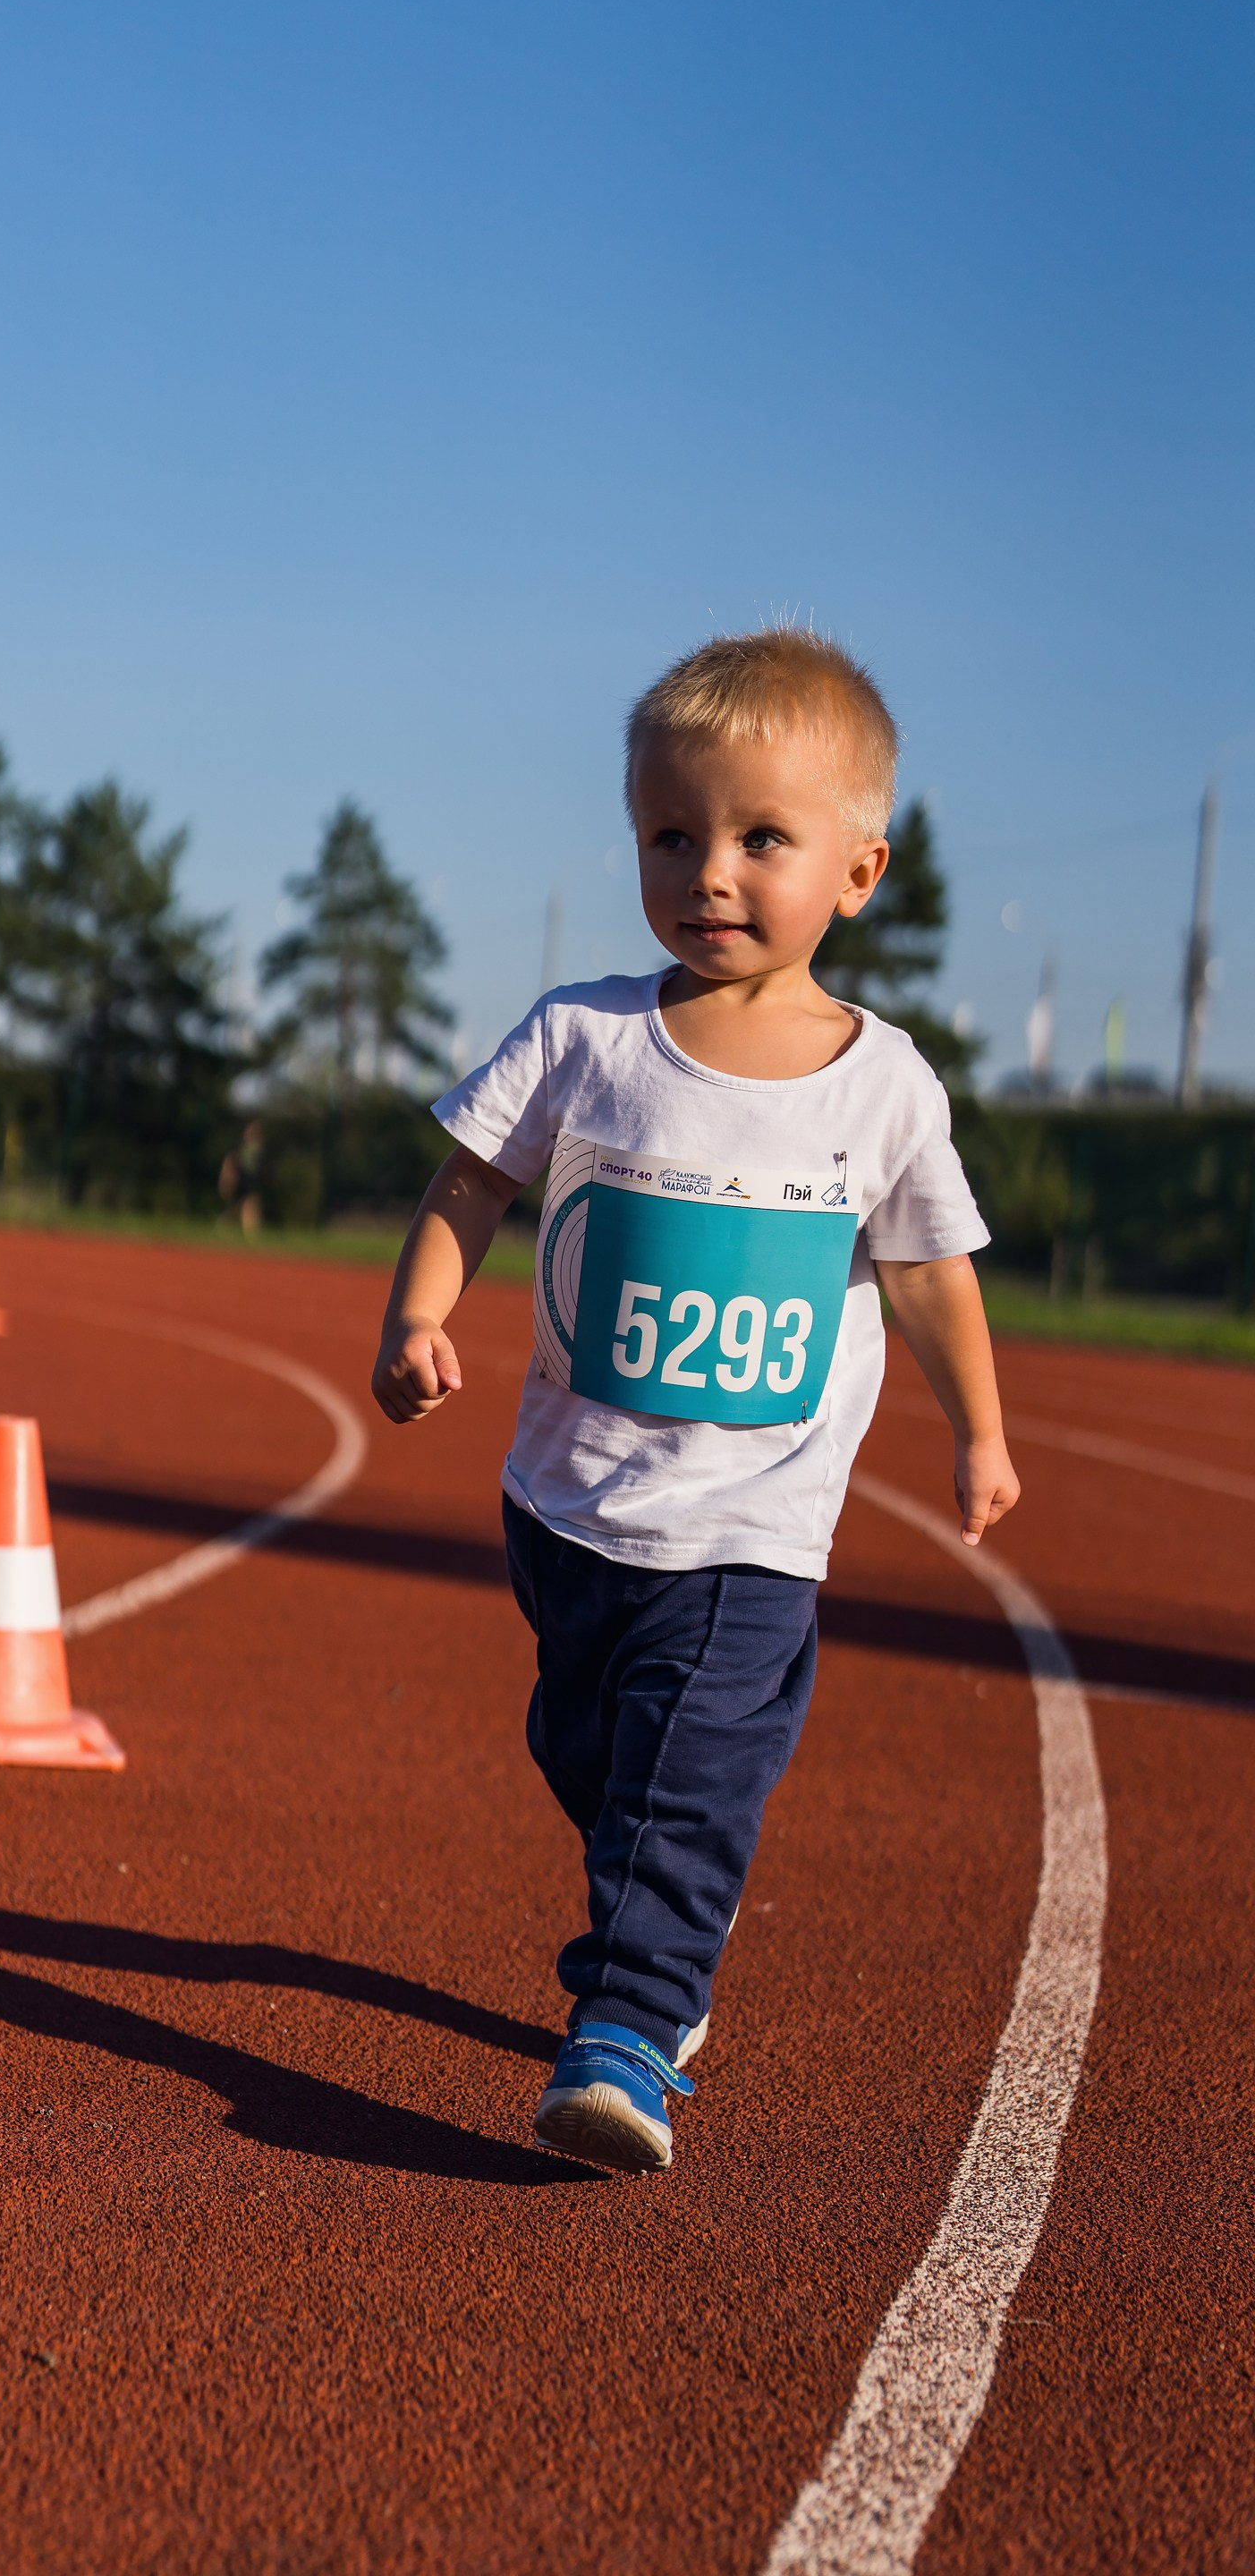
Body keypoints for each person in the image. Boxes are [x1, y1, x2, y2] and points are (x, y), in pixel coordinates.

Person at [370, 628, 1018, 2175]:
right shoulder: (584, 1037)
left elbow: (930, 1274)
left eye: (760, 840)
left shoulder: (885, 1088)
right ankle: (665, 1900)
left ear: (859, 873)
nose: (709, 871)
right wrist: (416, 1313)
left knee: (688, 1764)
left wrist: (979, 1429)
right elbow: (472, 1181)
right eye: (674, 835)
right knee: (589, 1751)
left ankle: (628, 2028)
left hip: (750, 1530)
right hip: (568, 1508)